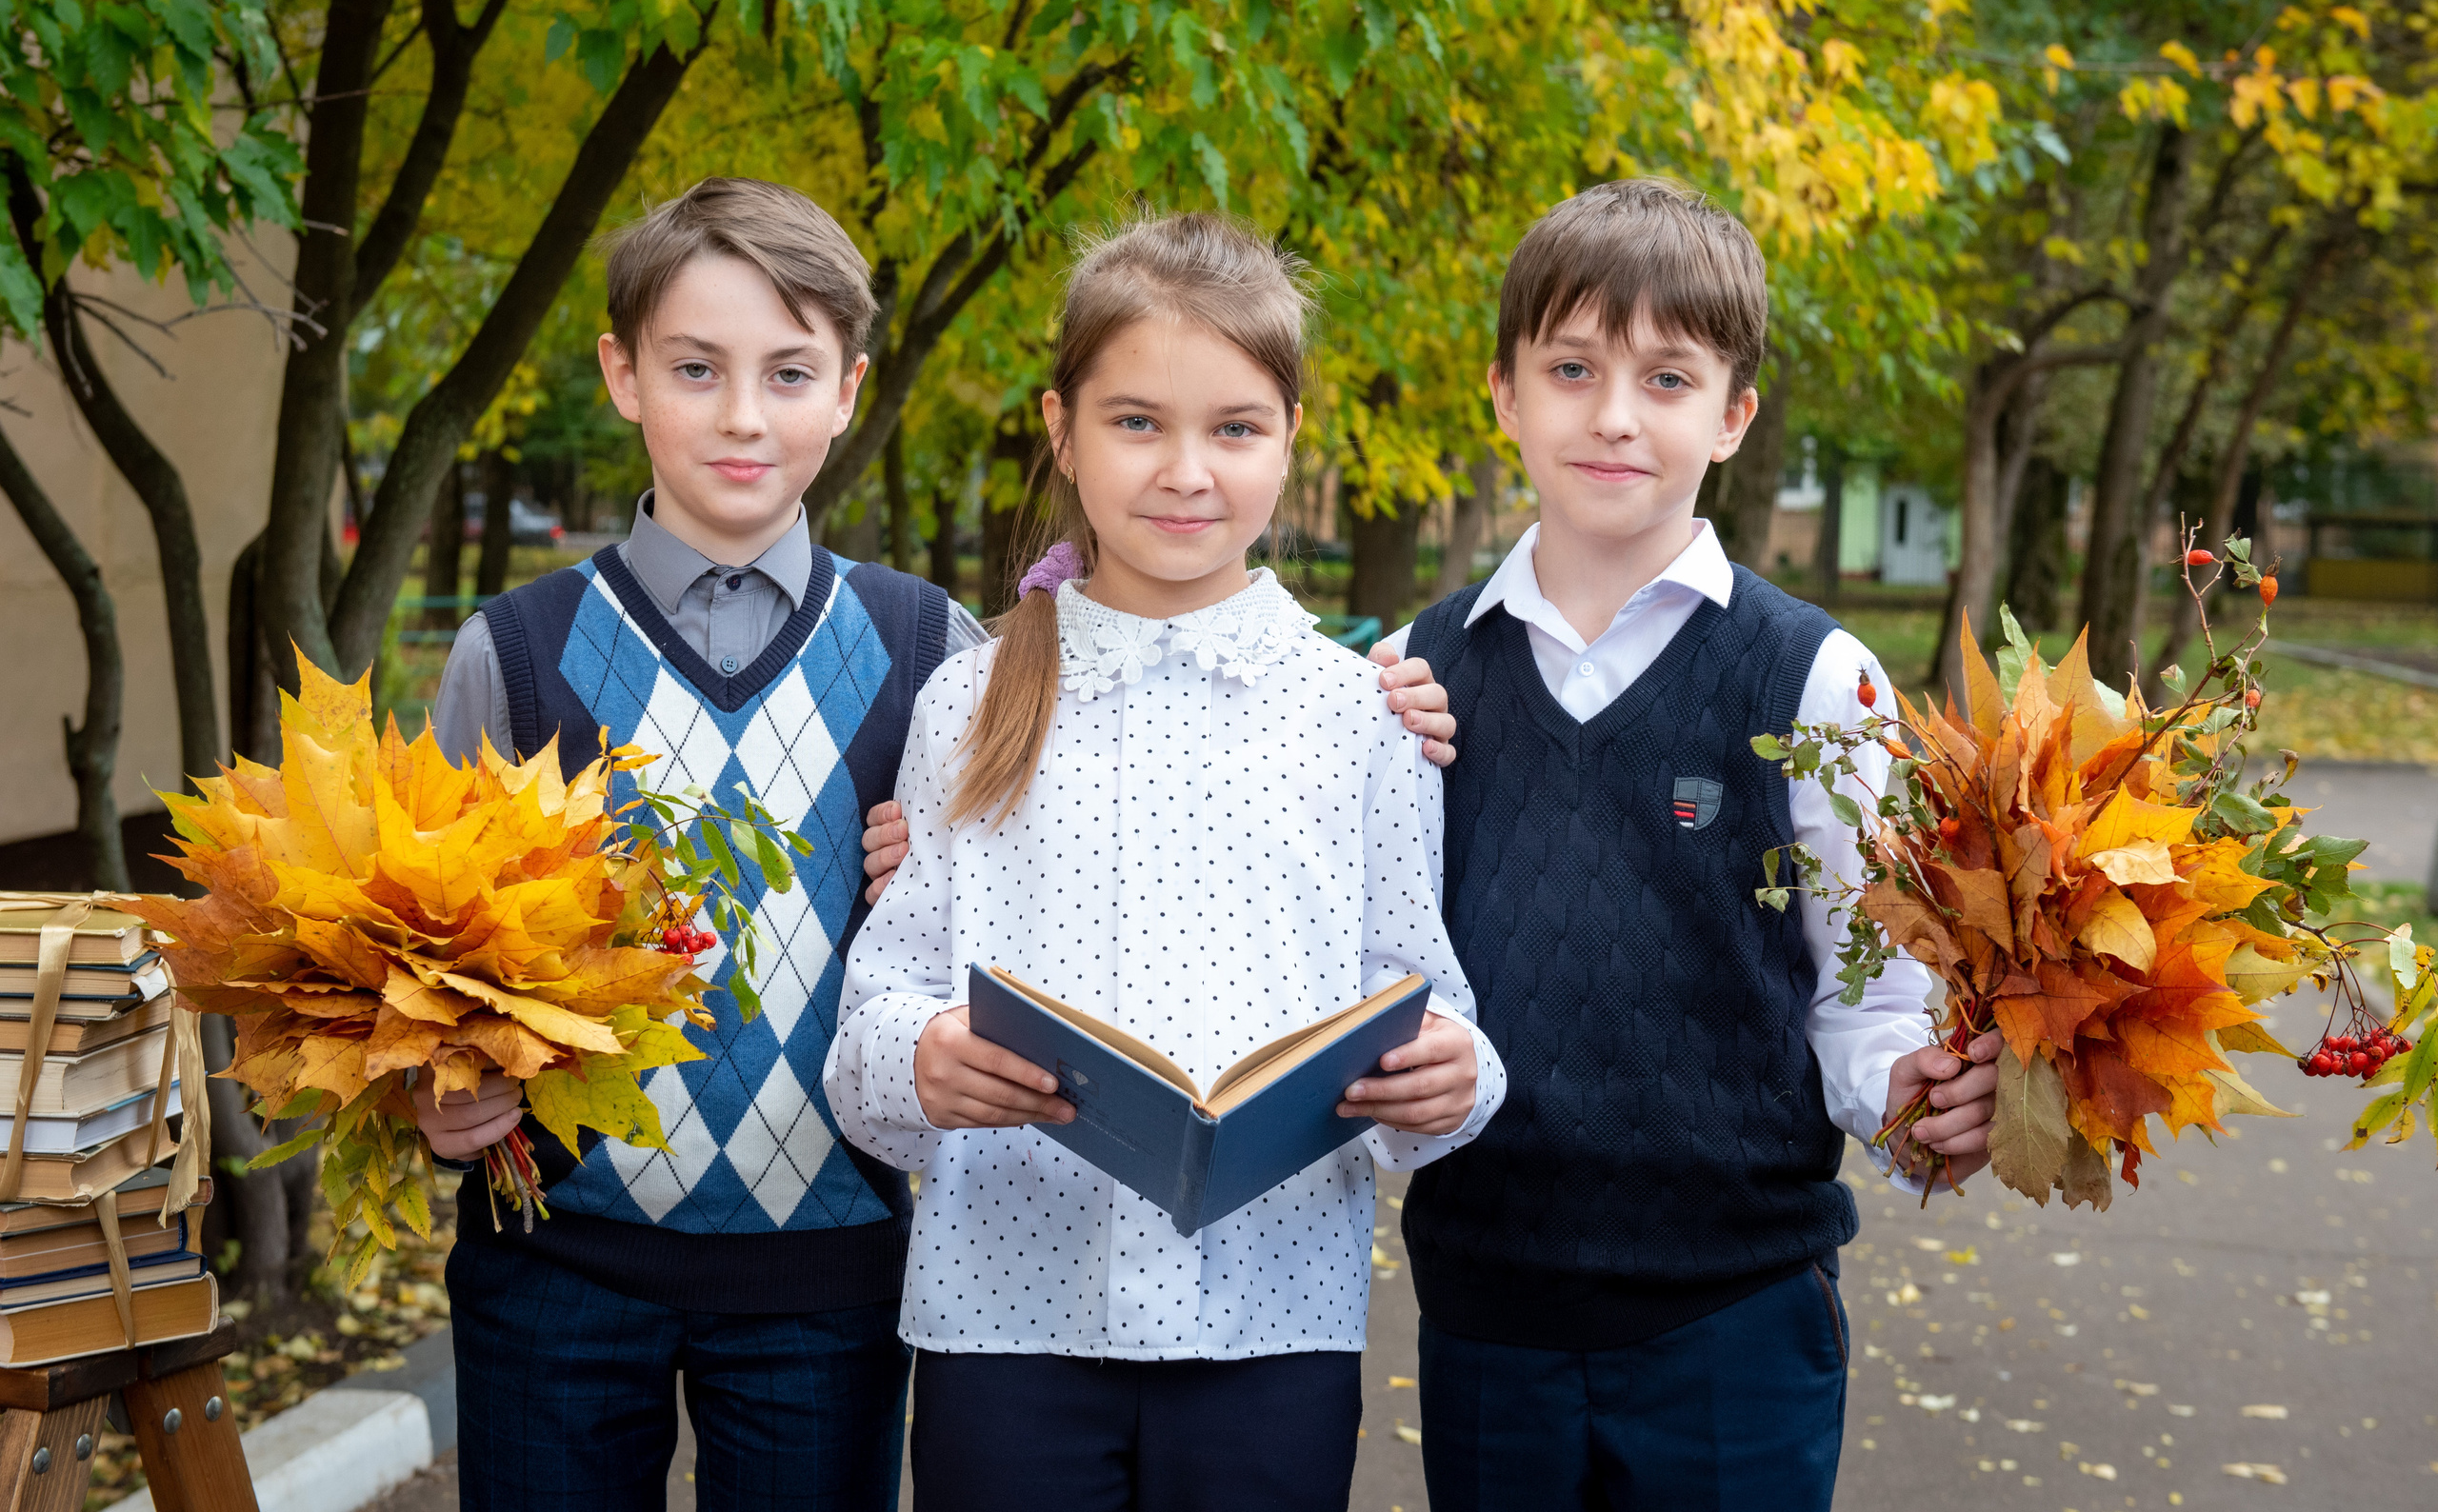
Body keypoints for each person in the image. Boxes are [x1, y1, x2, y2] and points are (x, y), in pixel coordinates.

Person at [410, 178, 1457, 1512]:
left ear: (847, 388)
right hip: (558, 1256)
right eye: (696, 369)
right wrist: (438, 1098)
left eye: (788, 372)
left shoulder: (926, 654)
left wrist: (1373, 697)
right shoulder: (523, 652)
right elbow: (423, 959)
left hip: (833, 1269)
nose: (744, 414)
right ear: (622, 373)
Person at [822, 211, 1507, 1512]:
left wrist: (1453, 1082)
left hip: (1273, 1324)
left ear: (1291, 438)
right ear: (1062, 429)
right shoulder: (965, 706)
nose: (1186, 471)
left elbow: (1432, 1008)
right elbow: (873, 1027)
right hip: (1003, 1320)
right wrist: (921, 1059)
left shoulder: (1364, 715)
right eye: (1137, 422)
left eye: (1235, 428)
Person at [1376, 179, 2001, 1512]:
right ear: (1504, 395)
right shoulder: (1416, 678)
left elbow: (1870, 993)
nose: (1613, 413)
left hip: (1737, 1317)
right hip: (1490, 1307)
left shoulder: (1817, 679)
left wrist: (1919, 1103)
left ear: (1731, 415)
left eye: (1667, 377)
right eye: (1572, 368)